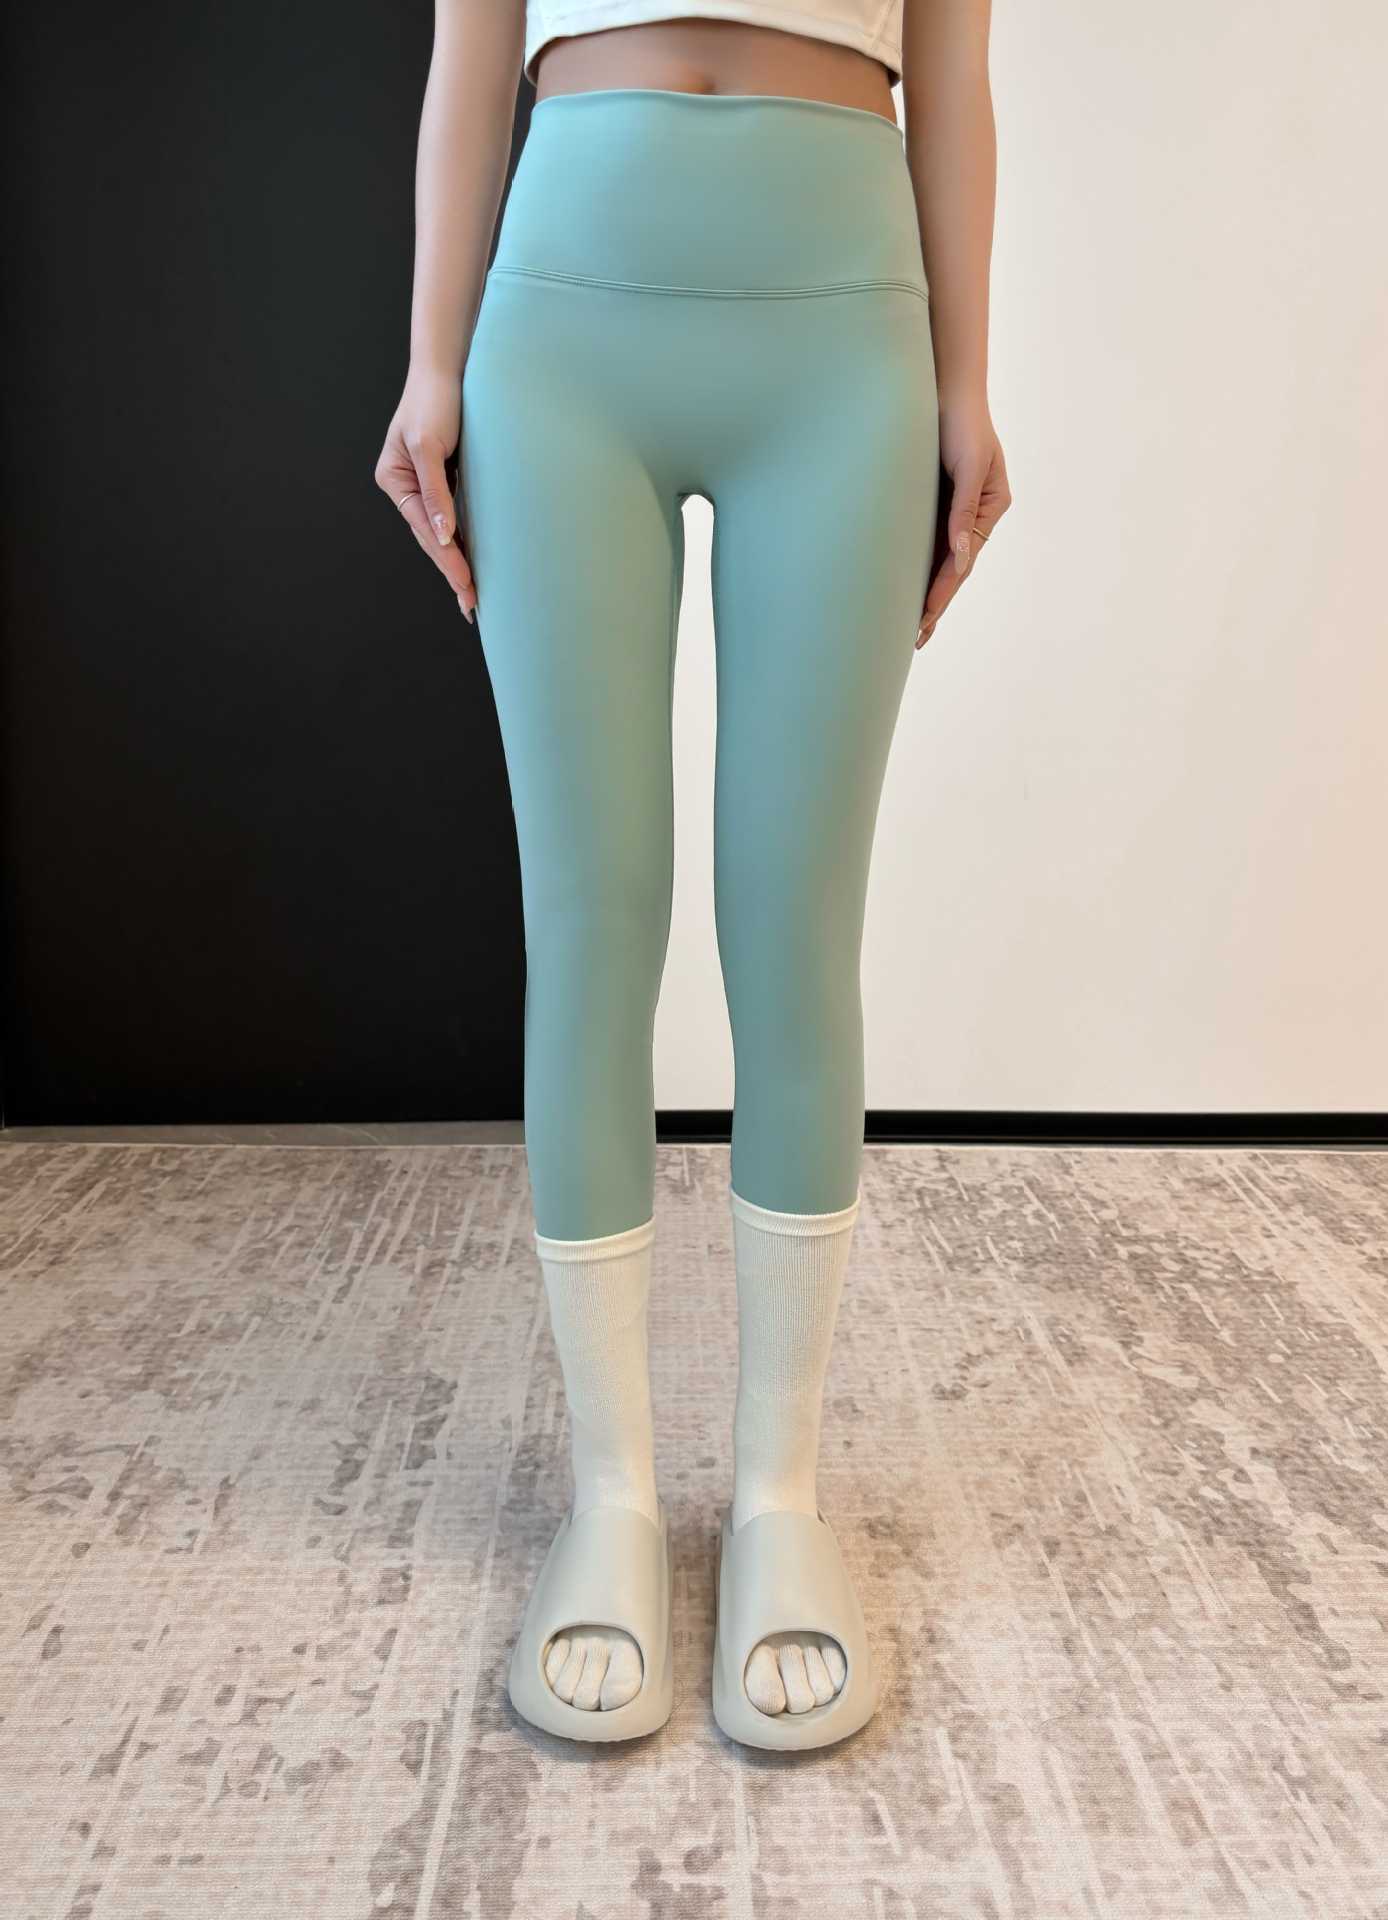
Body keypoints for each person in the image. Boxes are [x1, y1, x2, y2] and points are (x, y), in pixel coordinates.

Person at [375, 0, 1010, 1751]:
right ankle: (612, 1494)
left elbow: (954, 70)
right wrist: (432, 360)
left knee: (795, 927)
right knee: (591, 924)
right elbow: (471, 48)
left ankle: (781, 1496)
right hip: (561, 330)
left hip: (844, 333)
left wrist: (967, 385)